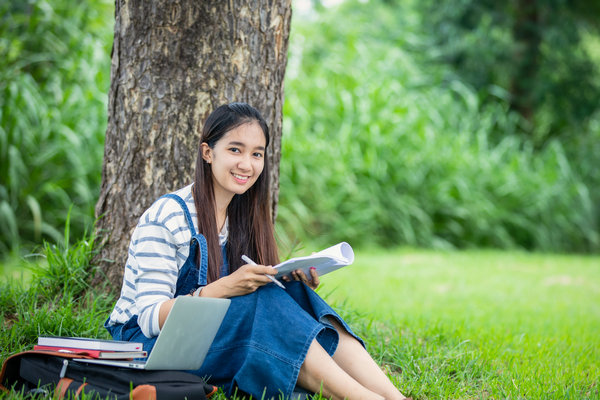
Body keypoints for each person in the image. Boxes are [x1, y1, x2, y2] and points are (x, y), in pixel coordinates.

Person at [105, 102, 408, 400]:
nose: (246, 164)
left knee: (294, 295)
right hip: (147, 347)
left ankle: (393, 396)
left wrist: (286, 281)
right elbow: (149, 318)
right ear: (207, 153)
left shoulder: (242, 214)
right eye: (235, 150)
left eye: (257, 154)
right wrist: (225, 287)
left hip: (208, 336)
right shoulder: (169, 217)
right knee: (260, 305)